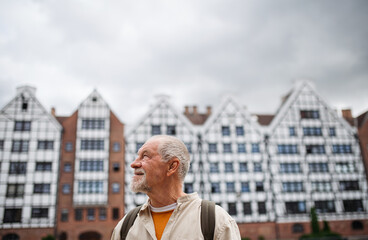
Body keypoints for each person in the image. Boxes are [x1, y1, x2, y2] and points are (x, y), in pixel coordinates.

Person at [111, 135, 241, 240]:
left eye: (145, 156)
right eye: (137, 156)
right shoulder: (125, 226)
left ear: (172, 166)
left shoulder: (217, 221)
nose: (133, 164)